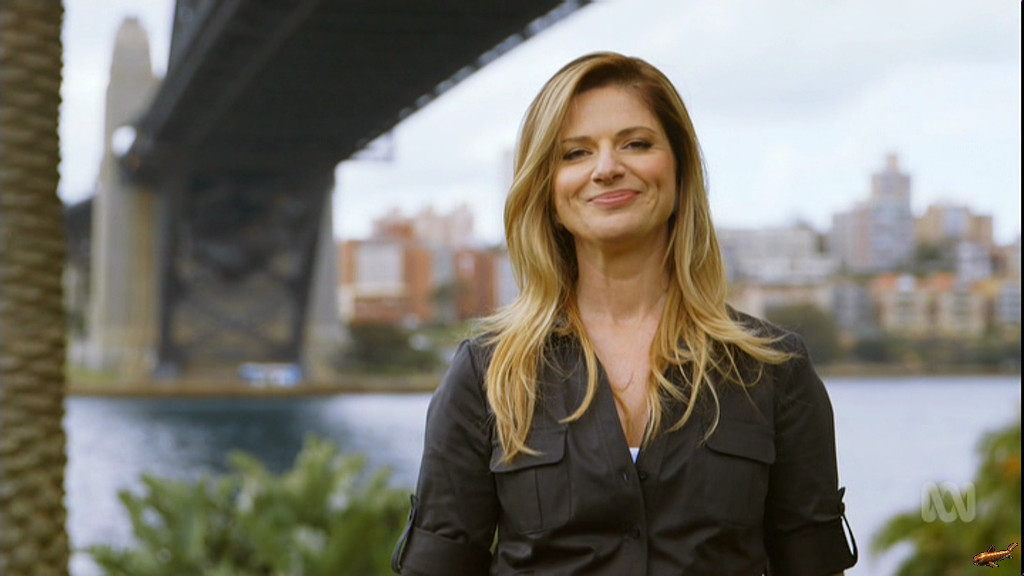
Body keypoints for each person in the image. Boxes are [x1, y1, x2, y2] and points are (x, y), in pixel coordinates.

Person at [391, 52, 857, 576]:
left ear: (679, 170)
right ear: (547, 188)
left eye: (636, 144)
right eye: (575, 153)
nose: (607, 168)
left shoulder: (773, 371)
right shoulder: (487, 374)